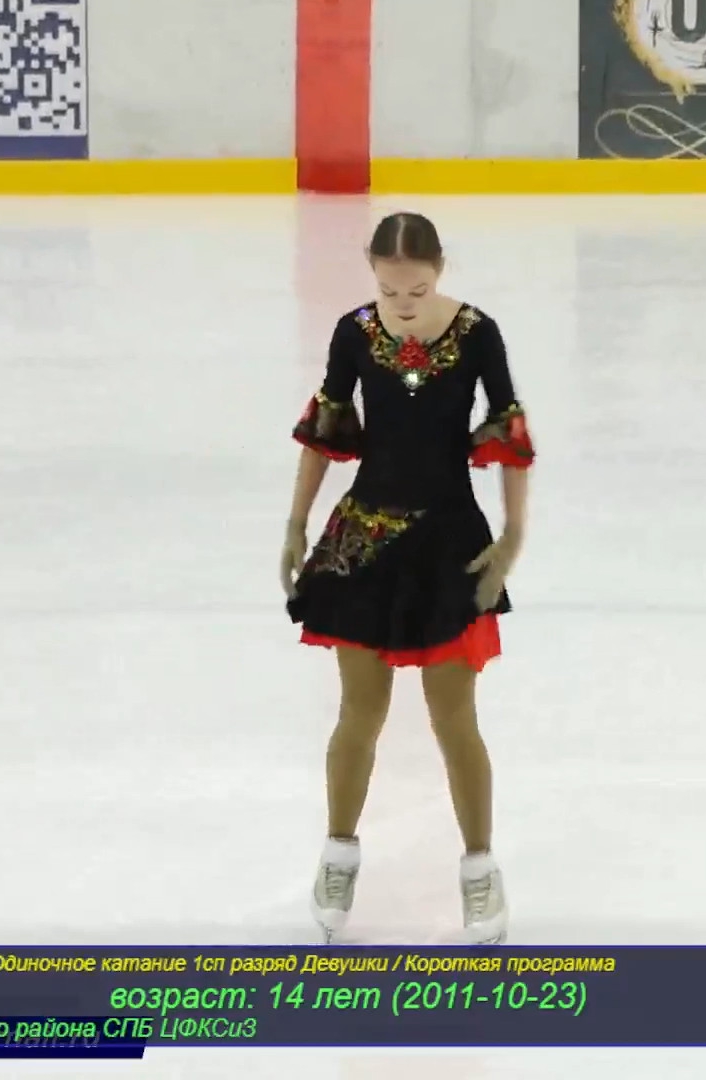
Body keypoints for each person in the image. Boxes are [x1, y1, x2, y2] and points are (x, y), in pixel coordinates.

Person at [280, 212, 535, 945]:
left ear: (440, 270)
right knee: (359, 713)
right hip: (363, 544)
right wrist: (296, 523)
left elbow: (509, 429)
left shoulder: (477, 333)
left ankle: (480, 870)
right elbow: (325, 431)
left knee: (455, 719)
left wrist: (513, 537)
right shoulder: (353, 333)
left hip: (450, 544)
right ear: (372, 273)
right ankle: (338, 856)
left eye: (417, 290)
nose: (403, 305)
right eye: (390, 291)